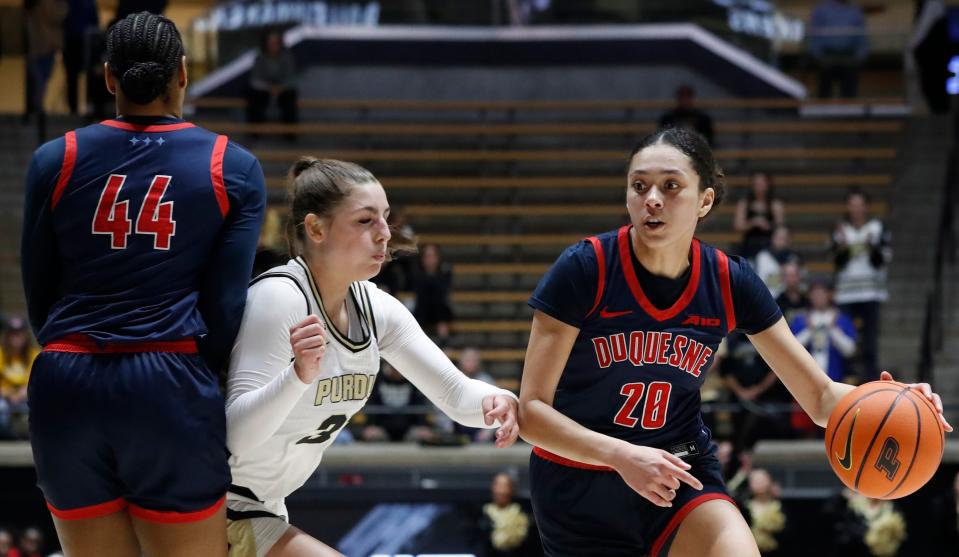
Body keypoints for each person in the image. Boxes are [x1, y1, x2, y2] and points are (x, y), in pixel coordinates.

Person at [516, 127, 951, 557]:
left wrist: (889, 400)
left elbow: (819, 396)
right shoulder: (584, 269)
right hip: (580, 488)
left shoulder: (730, 281)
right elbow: (532, 413)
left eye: (671, 186)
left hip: (680, 472)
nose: (652, 198)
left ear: (705, 200)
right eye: (639, 185)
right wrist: (621, 456)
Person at [21, 12, 266, 556]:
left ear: (108, 77)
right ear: (183, 72)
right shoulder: (234, 167)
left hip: (67, 379)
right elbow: (225, 306)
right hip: (168, 381)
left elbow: (38, 293)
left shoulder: (52, 159)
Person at [224, 157, 520, 557]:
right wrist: (297, 377)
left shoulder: (376, 308)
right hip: (216, 501)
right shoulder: (279, 298)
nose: (384, 234)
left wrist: (493, 400)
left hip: (266, 504)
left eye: (385, 218)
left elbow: (454, 393)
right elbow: (236, 439)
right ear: (316, 228)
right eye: (365, 221)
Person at [831, 188, 890, 383]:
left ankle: (871, 382)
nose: (856, 208)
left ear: (866, 206)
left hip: (870, 291)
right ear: (848, 206)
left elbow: (882, 260)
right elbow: (836, 262)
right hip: (846, 293)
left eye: (859, 204)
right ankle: (846, 381)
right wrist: (844, 247)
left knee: (870, 342)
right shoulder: (840, 230)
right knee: (845, 337)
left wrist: (871, 245)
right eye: (852, 204)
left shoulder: (877, 227)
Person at [807, 0, 869, 98]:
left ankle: (851, 111)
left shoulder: (855, 10)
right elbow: (814, 34)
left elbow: (862, 35)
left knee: (850, 93)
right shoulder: (821, 9)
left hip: (849, 57)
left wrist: (860, 55)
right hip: (826, 56)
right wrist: (817, 56)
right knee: (824, 93)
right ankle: (823, 111)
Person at [246, 29, 298, 128]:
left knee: (290, 97)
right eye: (270, 43)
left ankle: (290, 134)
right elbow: (255, 80)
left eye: (275, 43)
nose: (272, 45)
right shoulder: (260, 57)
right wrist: (270, 87)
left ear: (280, 43)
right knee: (253, 96)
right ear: (265, 44)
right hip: (263, 89)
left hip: (284, 89)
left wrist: (280, 87)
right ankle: (255, 131)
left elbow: (291, 78)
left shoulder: (287, 57)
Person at [0, 317, 41, 439]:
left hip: (27, 398)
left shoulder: (35, 354)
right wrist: (8, 393)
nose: (16, 337)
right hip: (4, 399)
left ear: (25, 335)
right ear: (7, 335)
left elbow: (38, 382)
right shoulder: (0, 354)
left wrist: (25, 392)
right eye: (13, 333)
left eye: (19, 333)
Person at [733, 171, 785, 260]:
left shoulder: (775, 204)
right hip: (749, 244)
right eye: (756, 183)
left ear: (768, 184)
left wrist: (768, 226)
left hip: (769, 245)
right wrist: (753, 223)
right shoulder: (744, 203)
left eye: (762, 183)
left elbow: (781, 228)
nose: (759, 185)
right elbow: (737, 226)